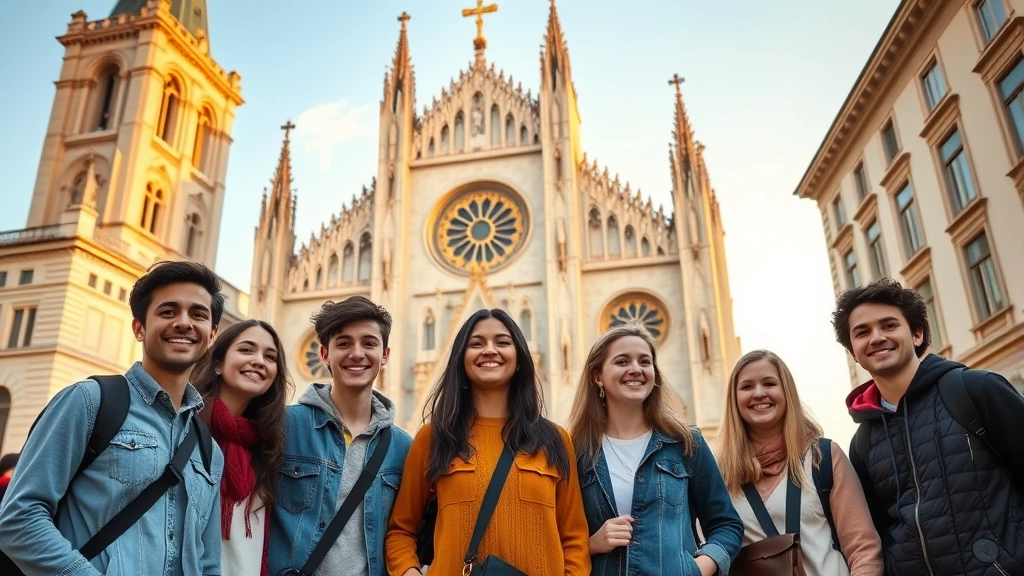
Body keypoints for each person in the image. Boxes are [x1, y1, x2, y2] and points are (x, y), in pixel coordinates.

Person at [0, 260, 225, 574]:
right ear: (139, 328)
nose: (184, 323)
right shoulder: (89, 402)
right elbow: (18, 517)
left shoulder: (208, 449)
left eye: (198, 314)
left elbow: (207, 559)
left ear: (212, 334)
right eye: (168, 311)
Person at [832, 278, 1024, 575]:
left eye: (889, 325)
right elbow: (878, 533)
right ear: (853, 353)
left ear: (918, 334)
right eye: (862, 332)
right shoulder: (863, 442)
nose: (877, 337)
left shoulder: (974, 390)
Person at [386, 309, 591, 576]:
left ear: (519, 360)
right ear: (461, 359)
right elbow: (401, 530)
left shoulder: (555, 439)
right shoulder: (434, 438)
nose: (490, 350)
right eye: (476, 343)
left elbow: (574, 537)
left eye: (503, 342)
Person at [567, 323, 743, 575]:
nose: (635, 369)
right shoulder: (575, 452)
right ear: (597, 376)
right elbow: (555, 535)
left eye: (645, 361)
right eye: (622, 362)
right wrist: (591, 544)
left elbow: (727, 524)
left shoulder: (686, 443)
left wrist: (696, 569)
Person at [269, 296, 412, 576]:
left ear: (385, 356)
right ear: (324, 355)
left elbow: (406, 534)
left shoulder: (402, 447)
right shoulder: (284, 425)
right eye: (344, 343)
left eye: (369, 343)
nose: (357, 354)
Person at [717, 349, 882, 576]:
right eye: (746, 387)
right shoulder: (721, 476)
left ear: (787, 392)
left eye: (769, 383)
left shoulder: (823, 458)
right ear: (734, 400)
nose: (758, 393)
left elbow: (863, 549)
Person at [192, 319, 293, 576]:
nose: (259, 360)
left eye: (270, 357)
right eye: (246, 350)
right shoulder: (186, 427)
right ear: (217, 364)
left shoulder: (268, 444)